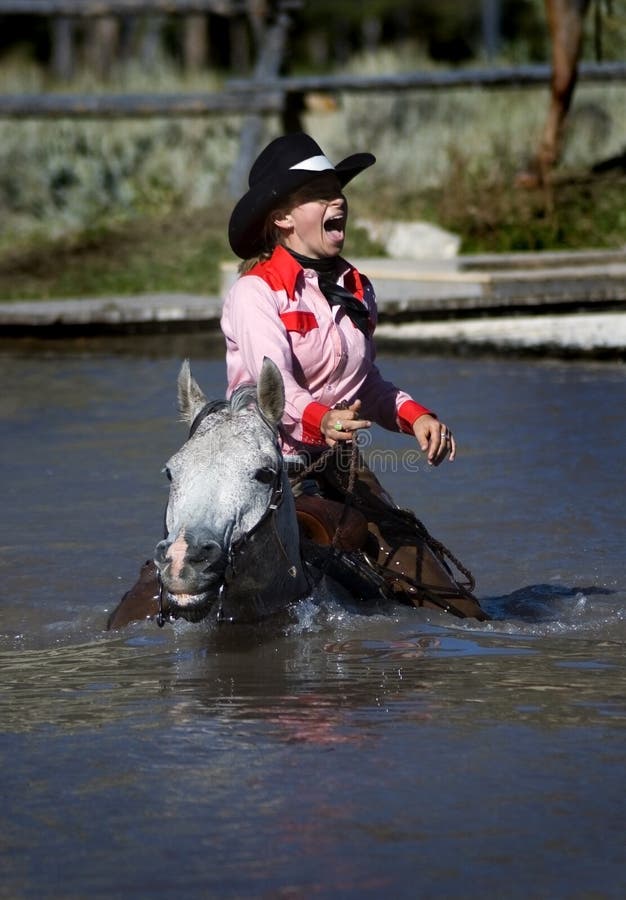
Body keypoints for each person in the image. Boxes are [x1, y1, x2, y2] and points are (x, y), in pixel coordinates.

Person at [222, 132, 488, 621]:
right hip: (266, 465)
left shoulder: (357, 287)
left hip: (339, 462)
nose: (337, 200)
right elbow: (272, 388)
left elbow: (366, 385)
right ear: (282, 218)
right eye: (319, 194)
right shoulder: (254, 294)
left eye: (338, 191)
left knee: (421, 568)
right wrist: (320, 420)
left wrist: (416, 417)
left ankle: (464, 630)